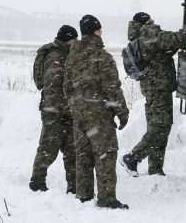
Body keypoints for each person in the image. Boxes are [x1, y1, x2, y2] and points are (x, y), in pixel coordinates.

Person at [120, 11, 186, 177]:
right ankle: (132, 158)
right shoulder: (149, 32)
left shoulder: (139, 35)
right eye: (149, 18)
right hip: (159, 87)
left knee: (155, 126)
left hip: (152, 86)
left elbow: (165, 48)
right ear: (144, 21)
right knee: (161, 127)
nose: (153, 20)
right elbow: (175, 38)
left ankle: (155, 168)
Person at [64, 14, 130, 210]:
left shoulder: (72, 56)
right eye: (100, 30)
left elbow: (67, 86)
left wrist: (76, 106)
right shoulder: (103, 57)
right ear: (96, 32)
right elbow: (112, 89)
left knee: (83, 154)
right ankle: (107, 197)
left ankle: (83, 194)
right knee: (105, 155)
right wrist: (122, 112)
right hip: (99, 114)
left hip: (80, 113)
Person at [29, 25, 78, 194]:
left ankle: (74, 186)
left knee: (72, 151)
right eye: (74, 39)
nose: (77, 42)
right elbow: (53, 89)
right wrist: (62, 112)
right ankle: (37, 182)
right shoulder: (56, 57)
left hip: (66, 112)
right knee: (49, 148)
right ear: (68, 39)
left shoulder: (66, 54)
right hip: (54, 112)